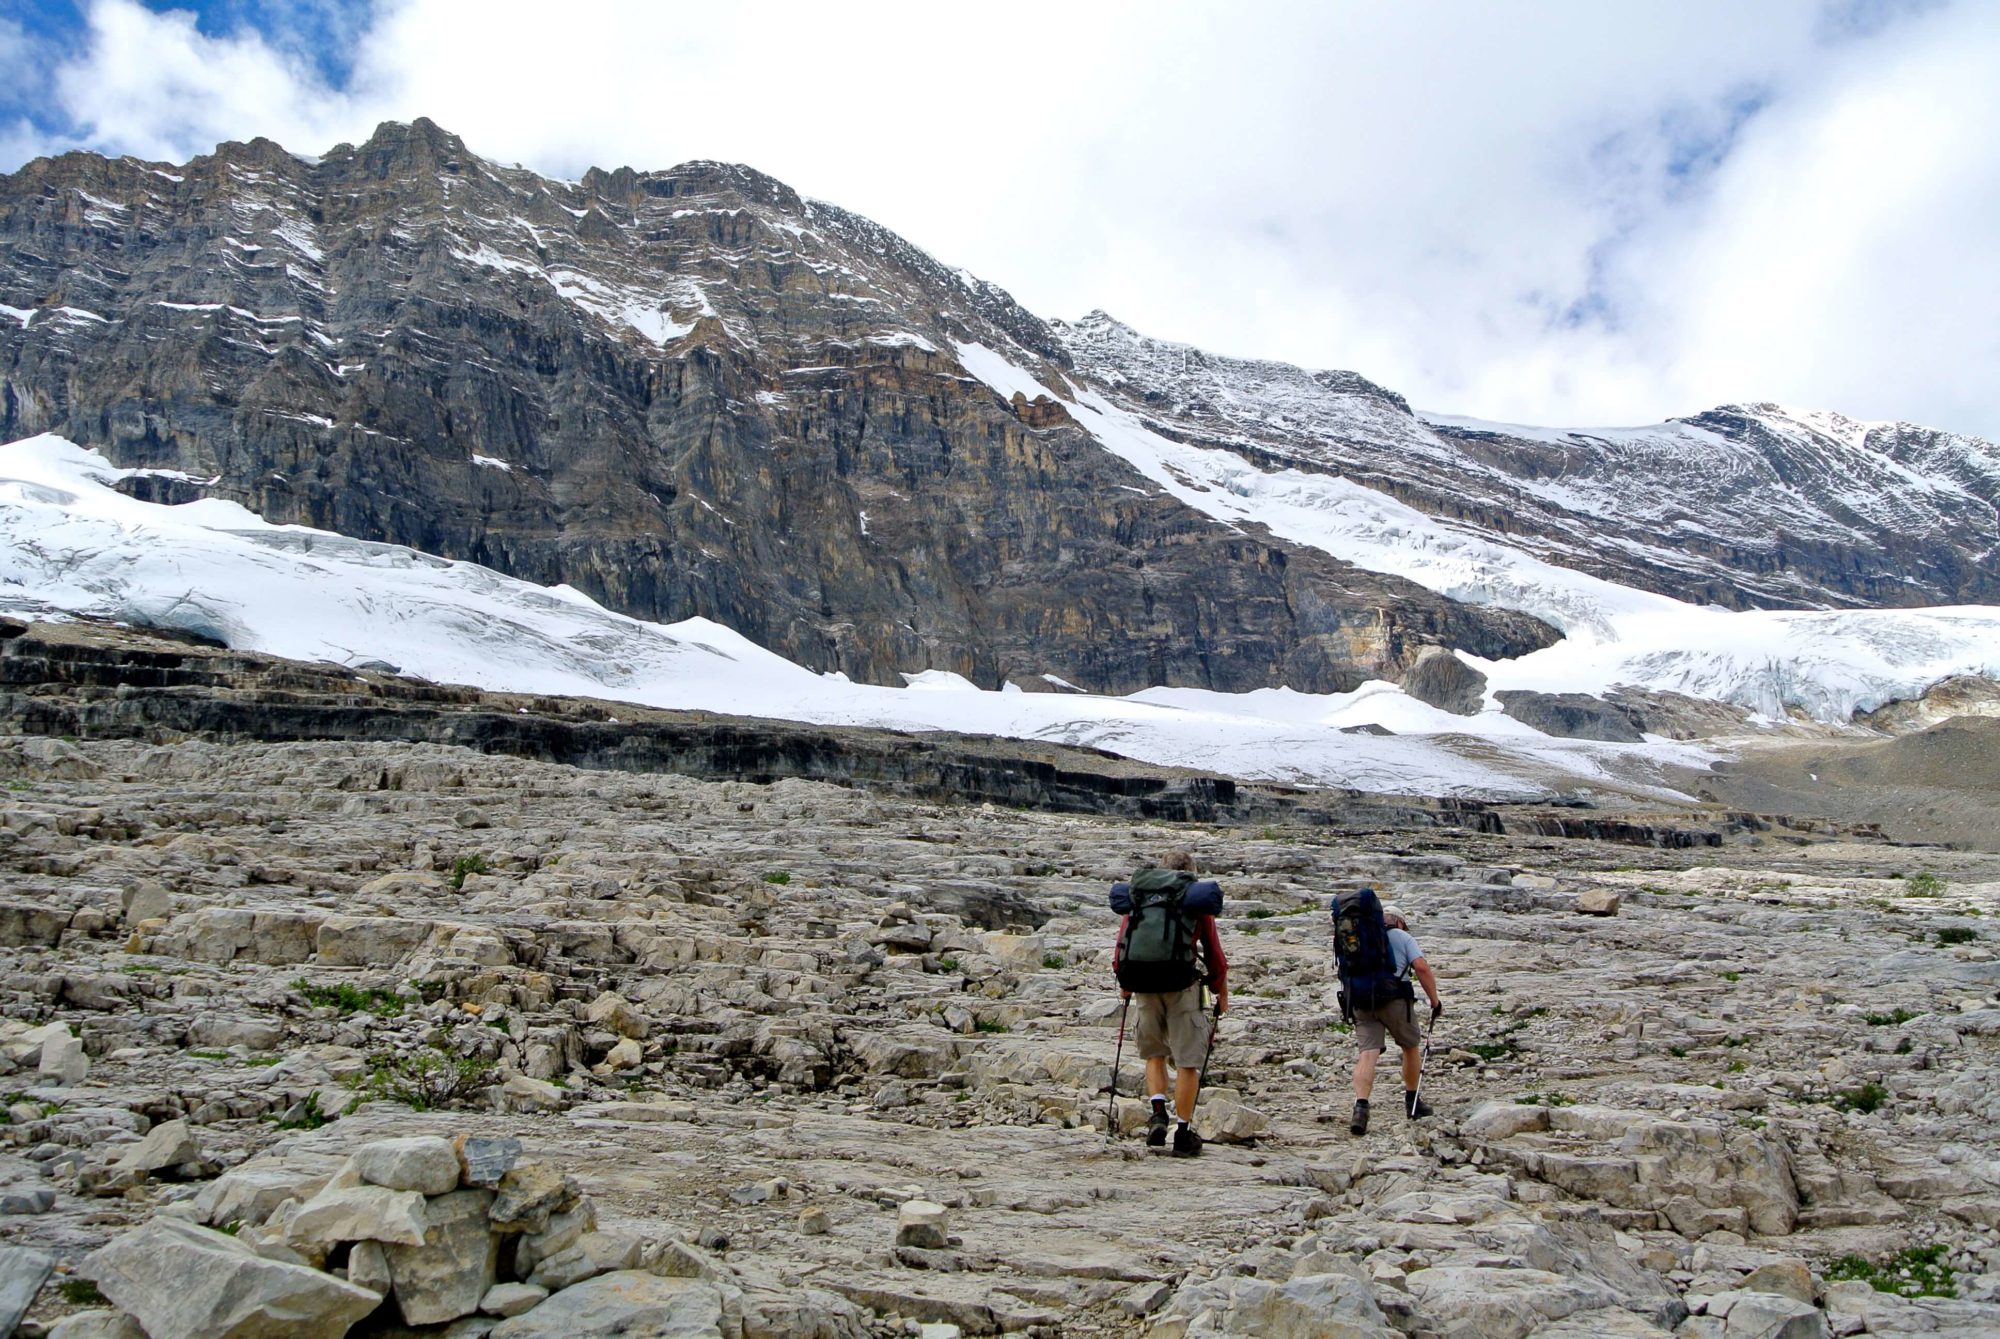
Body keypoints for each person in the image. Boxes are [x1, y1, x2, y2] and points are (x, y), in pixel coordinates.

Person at [1113, 850, 1228, 1157]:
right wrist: (1220, 989)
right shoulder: (1194, 900)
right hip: (1181, 986)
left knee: (1155, 1054)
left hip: (1143, 984)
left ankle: (1158, 1112)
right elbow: (1214, 952)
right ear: (1190, 873)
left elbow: (1123, 940)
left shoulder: (1142, 896)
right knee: (1188, 1061)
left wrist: (1124, 983)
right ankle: (1183, 1132)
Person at [1348, 903, 1442, 1135]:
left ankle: (1360, 1108)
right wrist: (1434, 1000)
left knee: (1367, 1053)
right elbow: (1420, 967)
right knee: (1410, 1046)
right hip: (1395, 998)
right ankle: (1413, 1102)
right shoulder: (1402, 936)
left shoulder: (1360, 935)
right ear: (1399, 921)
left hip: (1361, 999)